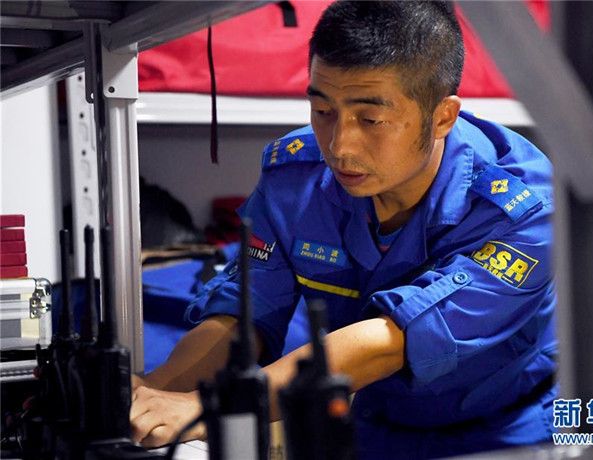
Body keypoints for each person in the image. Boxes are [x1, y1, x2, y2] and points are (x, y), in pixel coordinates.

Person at [130, 1, 558, 458]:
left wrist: (209, 406)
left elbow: (392, 340)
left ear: (442, 117)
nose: (339, 146)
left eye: (371, 120)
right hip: (379, 425)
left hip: (517, 431)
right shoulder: (296, 179)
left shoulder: (523, 209)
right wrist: (155, 394)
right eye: (322, 110)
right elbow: (245, 311)